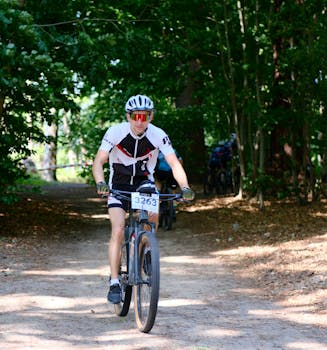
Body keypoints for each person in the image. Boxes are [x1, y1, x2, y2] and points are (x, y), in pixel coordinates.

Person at [92, 94, 195, 304]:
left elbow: (174, 163)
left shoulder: (158, 135)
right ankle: (114, 281)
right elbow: (99, 161)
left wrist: (185, 187)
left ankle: (147, 247)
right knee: (118, 229)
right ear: (128, 116)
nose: (140, 121)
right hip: (118, 185)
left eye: (145, 116)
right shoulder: (115, 132)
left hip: (143, 184)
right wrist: (101, 183)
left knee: (153, 214)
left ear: (151, 116)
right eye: (136, 116)